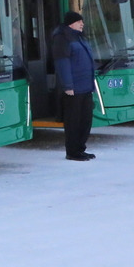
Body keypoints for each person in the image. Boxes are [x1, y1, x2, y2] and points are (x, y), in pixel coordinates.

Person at [52, 10, 96, 161]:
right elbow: (62, 63)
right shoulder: (62, 38)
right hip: (74, 89)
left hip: (86, 86)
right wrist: (68, 86)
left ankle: (80, 148)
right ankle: (72, 151)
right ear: (71, 23)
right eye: (79, 21)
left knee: (86, 120)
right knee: (73, 121)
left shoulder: (80, 37)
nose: (82, 24)